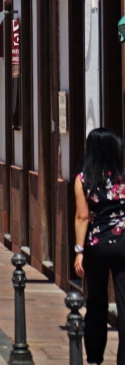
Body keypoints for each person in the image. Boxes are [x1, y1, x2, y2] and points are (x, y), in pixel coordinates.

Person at [75, 127, 125, 365]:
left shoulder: (84, 179)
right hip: (123, 245)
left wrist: (79, 251)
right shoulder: (122, 177)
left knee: (96, 302)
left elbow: (82, 217)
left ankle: (95, 356)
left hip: (97, 246)